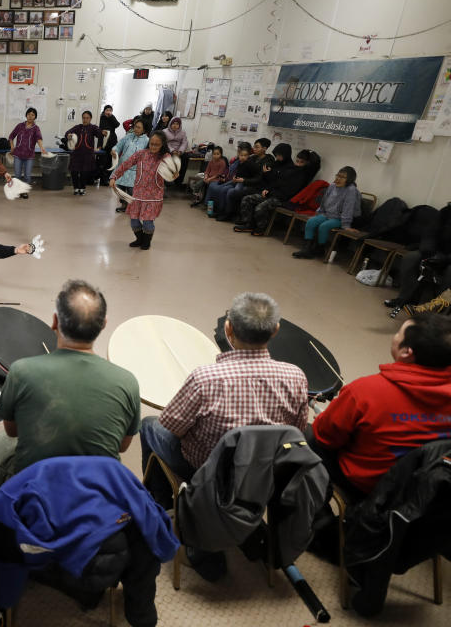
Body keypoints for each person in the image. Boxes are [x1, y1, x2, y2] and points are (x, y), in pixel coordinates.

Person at [139, 293, 308, 499]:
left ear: (228, 329)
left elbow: (173, 427)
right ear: (275, 330)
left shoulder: (205, 379)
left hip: (204, 470)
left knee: (149, 425)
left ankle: (159, 500)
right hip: (260, 471)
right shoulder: (296, 377)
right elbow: (296, 431)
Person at [0, 280, 140, 487]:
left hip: (37, 490)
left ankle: (10, 503)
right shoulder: (127, 381)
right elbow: (122, 445)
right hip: (98, 491)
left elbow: (12, 431)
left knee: (0, 442)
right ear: (104, 324)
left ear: (55, 321)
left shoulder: (21, 371)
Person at [308, 313, 451, 498]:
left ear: (406, 351)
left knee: (306, 435)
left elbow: (326, 437)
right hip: (420, 487)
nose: (395, 336)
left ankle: (311, 512)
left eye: (398, 333)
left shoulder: (366, 391)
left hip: (366, 485)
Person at [109, 131, 172, 251]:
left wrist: (173, 173)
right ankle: (140, 239)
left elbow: (172, 173)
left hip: (153, 196)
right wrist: (114, 177)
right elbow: (125, 164)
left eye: (156, 145)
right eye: (151, 144)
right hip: (138, 194)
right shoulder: (141, 154)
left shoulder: (166, 157)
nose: (153, 147)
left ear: (162, 144)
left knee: (148, 223)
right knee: (134, 222)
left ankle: (146, 242)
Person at [237, 149, 322, 237]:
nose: (298, 164)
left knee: (260, 207)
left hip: (285, 199)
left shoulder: (306, 173)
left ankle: (261, 228)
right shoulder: (290, 169)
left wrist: (310, 152)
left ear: (307, 163)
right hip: (274, 193)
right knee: (247, 199)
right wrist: (267, 190)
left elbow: (316, 163)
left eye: (302, 162)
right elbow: (278, 181)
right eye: (297, 161)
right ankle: (248, 224)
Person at [386, 202, 451, 315]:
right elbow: (430, 234)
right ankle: (406, 298)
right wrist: (429, 253)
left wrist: (445, 259)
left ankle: (438, 311)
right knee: (411, 258)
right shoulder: (446, 212)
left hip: (448, 259)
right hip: (435, 252)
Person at [292, 166, 360, 259]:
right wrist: (318, 213)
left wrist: (346, 226)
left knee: (324, 226)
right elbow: (324, 201)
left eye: (342, 177)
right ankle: (306, 248)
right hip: (327, 214)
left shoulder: (351, 190)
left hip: (340, 218)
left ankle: (320, 249)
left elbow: (348, 209)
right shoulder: (332, 186)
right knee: (311, 222)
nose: (338, 179)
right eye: (337, 175)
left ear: (349, 180)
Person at [110, 118, 150, 213]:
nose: (136, 129)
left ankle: (133, 207)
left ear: (144, 130)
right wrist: (114, 151)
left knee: (132, 191)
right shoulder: (128, 136)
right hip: (122, 168)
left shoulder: (147, 141)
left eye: (139, 128)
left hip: (135, 170)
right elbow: (118, 146)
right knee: (120, 189)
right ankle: (124, 205)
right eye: (135, 126)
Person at [206, 143, 254, 219]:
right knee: (212, 186)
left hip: (235, 182)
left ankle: (222, 212)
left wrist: (228, 180)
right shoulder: (236, 160)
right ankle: (213, 209)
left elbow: (239, 175)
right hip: (227, 180)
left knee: (220, 189)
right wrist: (224, 176)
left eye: (240, 153)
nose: (239, 155)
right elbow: (228, 170)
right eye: (238, 153)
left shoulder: (246, 163)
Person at [7, 107, 48, 198]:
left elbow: (39, 138)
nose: (30, 116)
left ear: (35, 117)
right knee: (17, 175)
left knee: (27, 176)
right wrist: (12, 146)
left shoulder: (36, 128)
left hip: (29, 156)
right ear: (26, 115)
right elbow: (11, 136)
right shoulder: (20, 126)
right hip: (18, 154)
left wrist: (42, 148)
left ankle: (24, 192)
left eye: (33, 115)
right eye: (29, 114)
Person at [64, 111, 103, 196]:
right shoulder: (77, 127)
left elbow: (100, 134)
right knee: (74, 172)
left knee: (84, 173)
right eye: (83, 118)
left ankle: (82, 188)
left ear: (90, 119)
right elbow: (67, 133)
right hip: (76, 154)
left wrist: (99, 146)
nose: (85, 120)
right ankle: (76, 188)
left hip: (88, 155)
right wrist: (69, 135)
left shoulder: (93, 128)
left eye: (87, 118)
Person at [162, 117, 190, 189]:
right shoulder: (165, 132)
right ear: (170, 124)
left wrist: (180, 151)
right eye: (173, 123)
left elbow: (184, 143)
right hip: (168, 150)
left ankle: (179, 182)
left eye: (177, 124)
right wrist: (172, 151)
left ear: (179, 125)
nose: (175, 125)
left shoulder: (183, 132)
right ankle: (166, 181)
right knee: (167, 158)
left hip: (179, 152)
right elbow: (165, 142)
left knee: (185, 158)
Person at [97, 105, 120, 185]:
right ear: (104, 111)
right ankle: (103, 180)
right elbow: (99, 132)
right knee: (103, 162)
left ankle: (108, 179)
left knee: (111, 161)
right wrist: (99, 145)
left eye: (110, 110)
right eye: (107, 110)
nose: (108, 111)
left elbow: (117, 124)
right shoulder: (101, 118)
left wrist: (111, 116)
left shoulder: (112, 117)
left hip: (112, 142)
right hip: (104, 143)